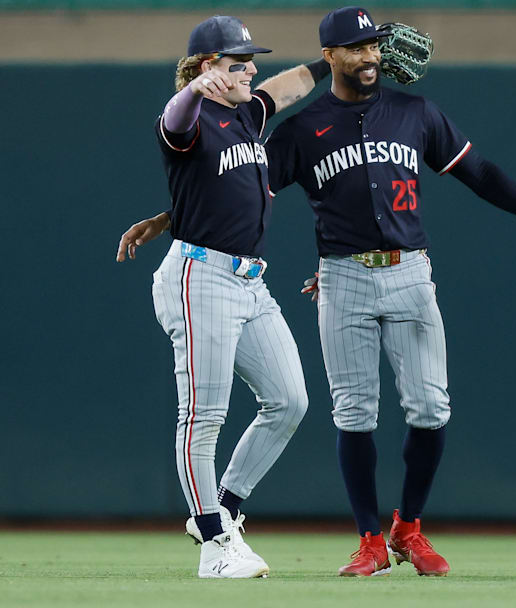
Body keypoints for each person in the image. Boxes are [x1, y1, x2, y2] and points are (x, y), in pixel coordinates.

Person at [266, 6, 516, 577]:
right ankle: (370, 541)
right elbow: (248, 192)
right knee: (354, 413)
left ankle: (408, 528)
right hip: (343, 278)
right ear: (329, 56)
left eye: (373, 45)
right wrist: (176, 217)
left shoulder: (415, 112)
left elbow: (481, 174)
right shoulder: (301, 130)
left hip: (409, 273)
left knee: (430, 409)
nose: (369, 56)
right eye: (355, 47)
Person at [115, 14, 330, 579]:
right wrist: (193, 89)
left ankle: (224, 509)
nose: (251, 71)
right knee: (203, 416)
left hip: (249, 281)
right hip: (200, 278)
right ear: (209, 68)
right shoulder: (189, 117)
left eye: (250, 62)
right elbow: (173, 119)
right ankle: (214, 546)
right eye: (239, 64)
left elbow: (286, 87)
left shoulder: (245, 113)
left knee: (290, 400)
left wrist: (332, 61)